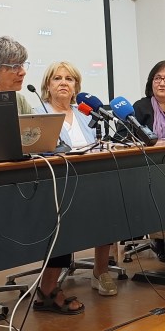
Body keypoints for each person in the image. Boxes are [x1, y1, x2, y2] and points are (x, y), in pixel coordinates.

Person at [0, 37, 82, 314]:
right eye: (14, 66)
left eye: (23, 65)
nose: (23, 72)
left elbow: (40, 142)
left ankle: (48, 290)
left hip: (19, 187)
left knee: (61, 208)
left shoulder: (21, 101)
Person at [39, 61, 118, 297]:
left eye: (69, 79)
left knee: (109, 202)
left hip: (90, 179)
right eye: (57, 78)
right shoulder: (40, 113)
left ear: (76, 86)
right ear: (48, 85)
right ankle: (48, 287)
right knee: (62, 214)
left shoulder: (85, 113)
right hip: (56, 184)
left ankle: (100, 271)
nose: (63, 83)